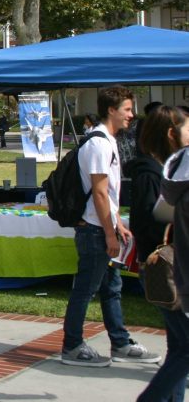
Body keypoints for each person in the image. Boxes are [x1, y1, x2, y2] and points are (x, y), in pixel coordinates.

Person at [60, 85, 159, 367]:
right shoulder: (99, 144)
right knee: (86, 289)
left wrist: (116, 223)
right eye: (127, 109)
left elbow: (107, 193)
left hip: (101, 226)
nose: (132, 115)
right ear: (111, 110)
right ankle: (72, 346)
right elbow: (99, 192)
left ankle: (120, 342)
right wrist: (108, 232)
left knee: (111, 288)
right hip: (93, 230)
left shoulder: (108, 141)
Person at [132, 106, 189, 401]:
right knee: (185, 350)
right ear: (171, 133)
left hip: (172, 267)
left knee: (180, 349)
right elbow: (144, 221)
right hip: (166, 269)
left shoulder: (170, 171)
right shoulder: (152, 174)